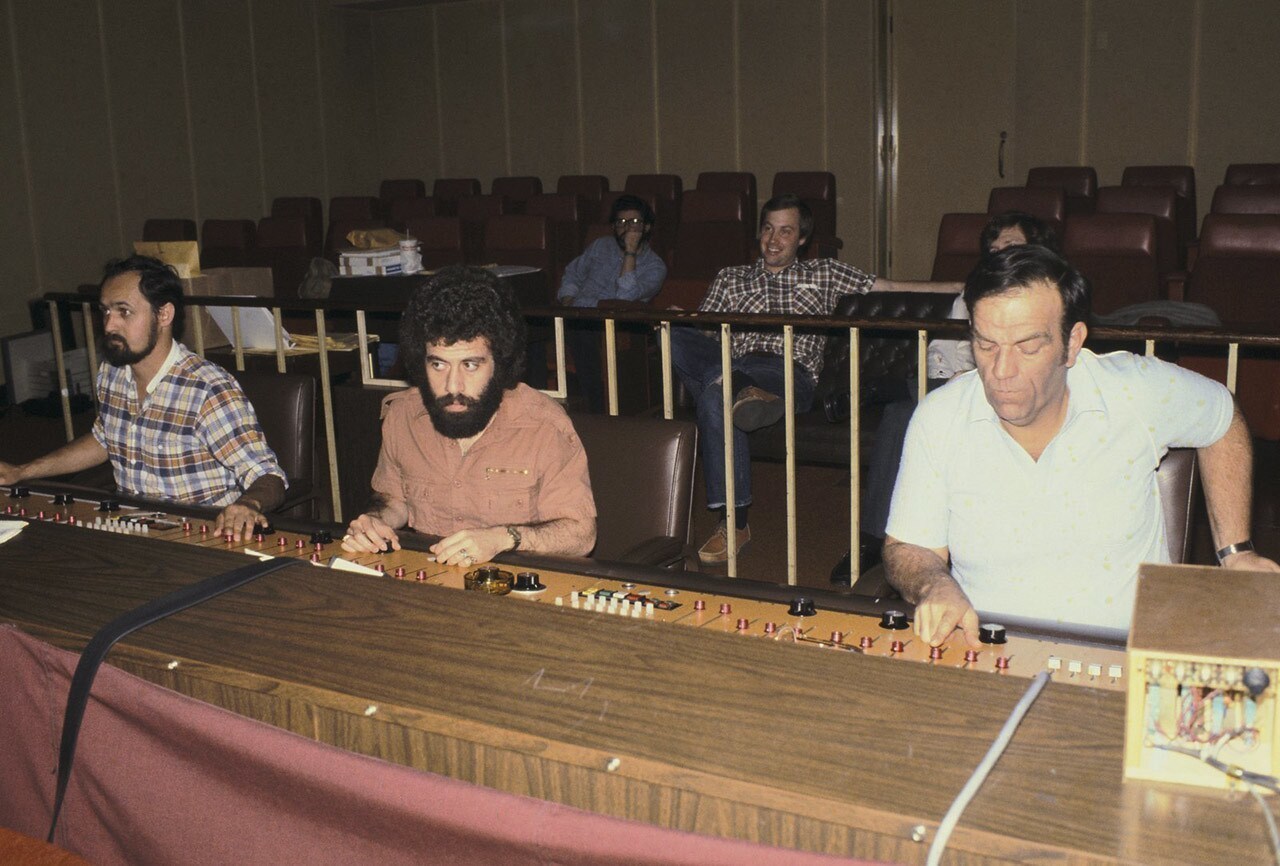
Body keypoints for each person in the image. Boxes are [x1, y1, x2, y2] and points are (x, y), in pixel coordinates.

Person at [884, 244, 1280, 644]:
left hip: (1121, 657)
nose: (1001, 371)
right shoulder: (940, 417)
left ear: (1073, 343)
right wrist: (933, 585)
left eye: (1027, 347)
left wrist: (1236, 552)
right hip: (990, 653)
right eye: (986, 345)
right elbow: (909, 547)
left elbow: (1223, 416)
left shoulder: (1134, 391)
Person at [670, 193, 961, 564]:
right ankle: (739, 385)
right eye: (768, 229)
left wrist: (966, 287)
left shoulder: (823, 273)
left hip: (788, 375)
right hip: (735, 363)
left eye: (785, 232)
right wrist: (683, 322)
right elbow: (706, 334)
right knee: (678, 338)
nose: (773, 240)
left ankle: (734, 521)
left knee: (715, 393)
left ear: (802, 239)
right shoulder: (731, 277)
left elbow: (889, 287)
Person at [836, 211, 1061, 584]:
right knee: (898, 414)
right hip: (953, 389)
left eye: (1011, 246)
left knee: (907, 398)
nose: (999, 252)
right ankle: (872, 539)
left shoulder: (1052, 299)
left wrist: (968, 377)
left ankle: (874, 390)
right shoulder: (972, 295)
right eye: (994, 247)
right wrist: (950, 379)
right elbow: (939, 349)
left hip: (1014, 393)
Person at [0, 256, 286, 540]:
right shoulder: (112, 372)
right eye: (105, 312)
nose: (109, 326)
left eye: (124, 312)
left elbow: (266, 474)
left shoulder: (207, 390)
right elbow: (105, 440)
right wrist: (22, 471)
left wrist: (248, 505)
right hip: (132, 531)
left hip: (200, 537)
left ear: (163, 315)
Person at [342, 265, 596, 566]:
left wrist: (504, 538)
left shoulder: (544, 426)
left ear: (500, 364)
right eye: (438, 365)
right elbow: (394, 499)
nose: (452, 386)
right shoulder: (403, 416)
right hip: (427, 585)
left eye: (470, 365)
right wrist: (374, 522)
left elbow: (580, 534)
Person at [557, 194, 667, 412]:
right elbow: (572, 273)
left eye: (634, 223)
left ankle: (596, 410)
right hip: (576, 312)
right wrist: (568, 298)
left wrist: (630, 253)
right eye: (621, 223)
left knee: (582, 332)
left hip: (616, 323)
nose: (627, 228)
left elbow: (624, 300)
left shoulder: (655, 266)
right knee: (533, 327)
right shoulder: (600, 246)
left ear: (646, 227)